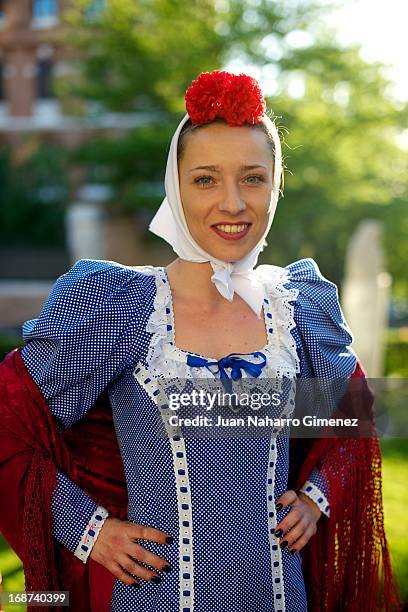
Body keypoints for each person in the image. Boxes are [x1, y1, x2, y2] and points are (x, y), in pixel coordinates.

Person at [0, 70, 400, 612]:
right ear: (176, 186)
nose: (232, 204)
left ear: (276, 185)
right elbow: (9, 426)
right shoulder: (119, 307)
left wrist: (314, 500)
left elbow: (352, 420)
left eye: (253, 178)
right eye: (206, 179)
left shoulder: (297, 306)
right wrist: (89, 530)